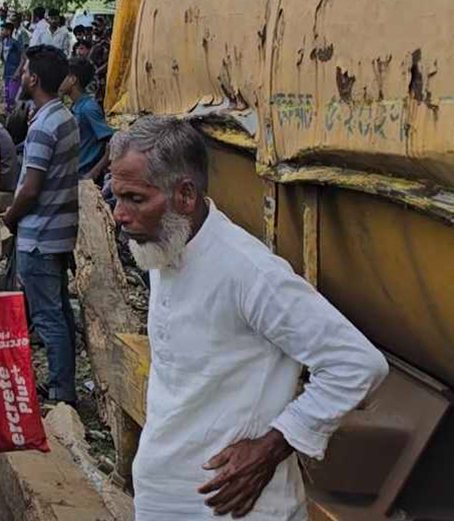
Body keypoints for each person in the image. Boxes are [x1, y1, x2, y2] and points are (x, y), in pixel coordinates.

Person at [110, 118, 388, 520]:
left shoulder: (248, 272)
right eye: (117, 198)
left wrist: (272, 446)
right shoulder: (164, 249)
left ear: (185, 195)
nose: (120, 214)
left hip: (236, 508)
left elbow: (357, 363)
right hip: (169, 496)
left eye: (135, 199)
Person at [0, 46, 80, 404]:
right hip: (59, 232)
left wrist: (10, 216)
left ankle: (62, 391)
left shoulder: (44, 127)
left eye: (25, 70)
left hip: (39, 236)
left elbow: (30, 188)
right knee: (59, 311)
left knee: (48, 317)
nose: (19, 74)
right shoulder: (64, 117)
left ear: (35, 79)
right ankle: (65, 382)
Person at [63, 58, 114, 182]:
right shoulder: (75, 106)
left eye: (63, 76)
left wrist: (94, 172)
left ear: (73, 80)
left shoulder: (88, 108)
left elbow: (112, 144)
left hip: (84, 175)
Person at [0, 21, 23, 111]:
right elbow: (1, 57)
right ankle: (7, 114)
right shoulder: (4, 42)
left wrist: (18, 71)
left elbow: (23, 57)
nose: (1, 32)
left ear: (9, 31)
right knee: (6, 95)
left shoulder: (15, 43)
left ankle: (14, 114)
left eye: (3, 30)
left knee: (13, 96)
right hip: (6, 72)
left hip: (13, 72)